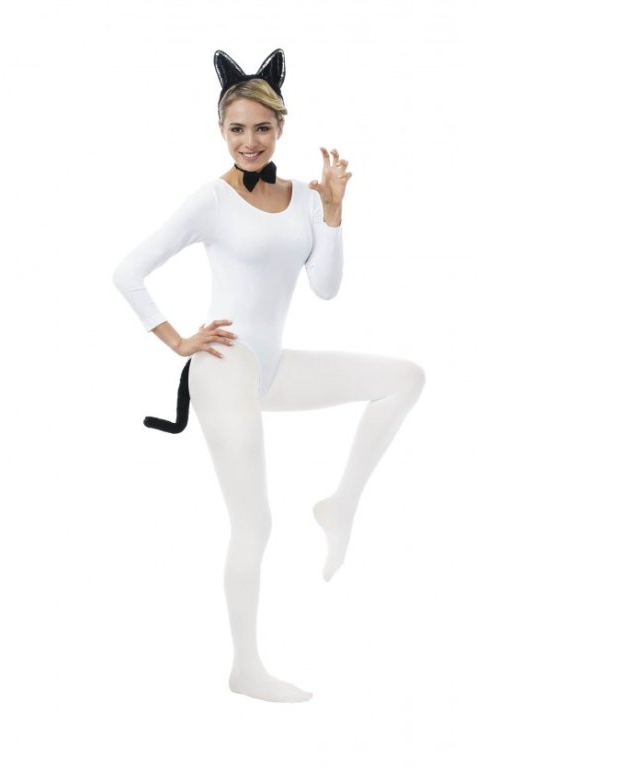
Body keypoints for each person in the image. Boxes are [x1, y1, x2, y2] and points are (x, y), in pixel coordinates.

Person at [112, 48, 426, 703]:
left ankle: (340, 504)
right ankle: (246, 668)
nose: (249, 141)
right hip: (223, 365)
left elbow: (327, 288)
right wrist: (178, 341)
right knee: (254, 524)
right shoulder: (211, 199)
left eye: (261, 128)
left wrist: (333, 213)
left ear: (281, 128)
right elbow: (129, 272)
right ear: (220, 131)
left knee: (404, 378)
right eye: (236, 129)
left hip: (271, 366)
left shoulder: (308, 197)